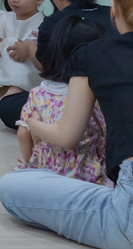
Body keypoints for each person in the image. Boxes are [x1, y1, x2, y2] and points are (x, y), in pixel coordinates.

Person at [0, 0, 133, 249]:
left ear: (115, 10)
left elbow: (68, 136)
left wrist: (32, 123)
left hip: (127, 213)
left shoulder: (96, 54)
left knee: (11, 187)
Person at [0, 0, 116, 129]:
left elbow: (46, 68)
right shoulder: (113, 14)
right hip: (112, 100)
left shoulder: (53, 23)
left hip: (71, 102)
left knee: (8, 106)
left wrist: (30, 48)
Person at [15, 17, 108, 185]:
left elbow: (23, 133)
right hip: (88, 177)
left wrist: (30, 163)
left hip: (47, 174)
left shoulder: (38, 93)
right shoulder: (96, 95)